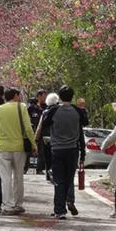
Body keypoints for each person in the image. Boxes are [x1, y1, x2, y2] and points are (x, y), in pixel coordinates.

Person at [39, 85, 86, 219]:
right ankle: (67, 202)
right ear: (72, 97)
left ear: (59, 97)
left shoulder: (54, 110)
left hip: (57, 149)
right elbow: (85, 122)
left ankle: (60, 210)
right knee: (69, 179)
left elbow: (45, 124)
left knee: (59, 180)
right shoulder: (77, 111)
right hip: (72, 150)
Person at [0, 87, 37, 215]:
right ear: (15, 96)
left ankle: (7, 205)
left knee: (5, 178)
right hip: (19, 147)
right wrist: (34, 144)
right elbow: (28, 128)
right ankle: (18, 204)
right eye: (19, 95)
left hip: (3, 148)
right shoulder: (21, 107)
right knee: (18, 176)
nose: (20, 98)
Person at [35, 92, 59, 182]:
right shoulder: (60, 111)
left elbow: (40, 126)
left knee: (47, 156)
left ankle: (48, 175)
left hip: (46, 138)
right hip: (57, 137)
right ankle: (54, 173)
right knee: (55, 156)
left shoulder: (45, 112)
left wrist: (36, 138)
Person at [29, 90, 48, 175]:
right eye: (44, 96)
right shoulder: (32, 108)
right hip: (31, 132)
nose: (45, 98)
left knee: (41, 151)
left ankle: (39, 169)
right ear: (39, 96)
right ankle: (24, 168)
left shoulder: (46, 108)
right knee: (29, 151)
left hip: (42, 133)